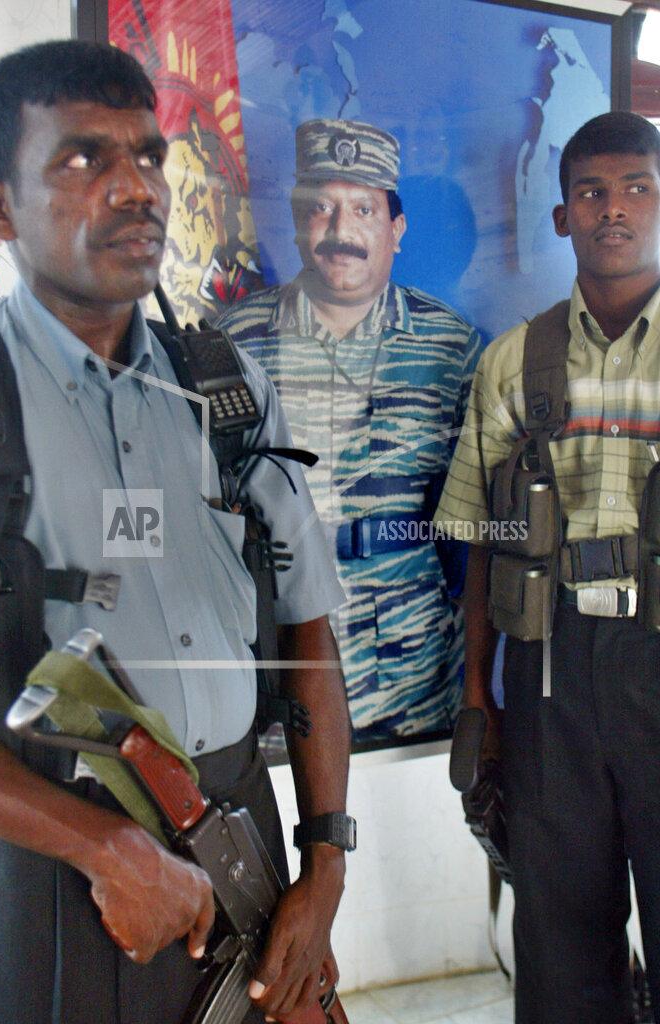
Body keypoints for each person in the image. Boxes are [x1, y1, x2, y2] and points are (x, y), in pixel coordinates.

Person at [0, 40, 351, 1024]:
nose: (135, 187)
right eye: (83, 159)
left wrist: (324, 864)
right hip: (53, 873)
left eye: (148, 156)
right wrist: (98, 847)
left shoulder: (225, 389)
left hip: (245, 855)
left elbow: (309, 635)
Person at [435, 110, 660, 1023]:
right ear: (561, 216)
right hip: (547, 670)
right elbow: (480, 547)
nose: (614, 209)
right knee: (561, 942)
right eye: (591, 192)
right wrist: (477, 698)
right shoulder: (511, 363)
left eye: (637, 189)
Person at [218, 119, 481, 744]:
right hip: (281, 676)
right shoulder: (232, 343)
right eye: (321, 209)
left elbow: (474, 521)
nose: (341, 232)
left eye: (363, 209)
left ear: (397, 228)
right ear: (297, 219)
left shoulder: (449, 344)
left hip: (415, 676)